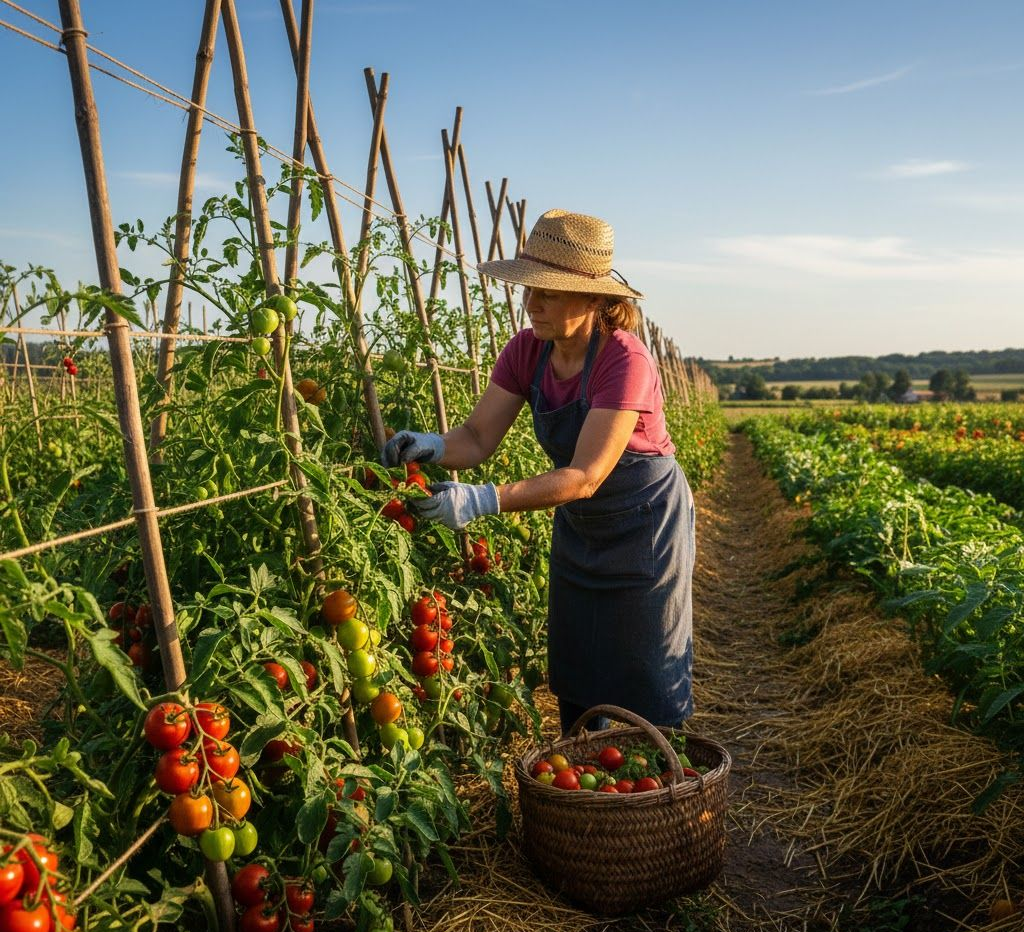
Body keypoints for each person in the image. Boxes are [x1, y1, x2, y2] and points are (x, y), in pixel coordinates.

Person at [382, 209, 695, 735]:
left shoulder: (625, 360)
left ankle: (654, 798)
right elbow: (479, 437)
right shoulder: (526, 352)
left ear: (594, 299)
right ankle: (582, 796)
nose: (532, 302)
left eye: (549, 291)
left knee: (646, 672)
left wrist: (482, 500)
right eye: (529, 289)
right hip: (580, 524)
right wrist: (433, 446)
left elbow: (588, 474)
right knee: (579, 666)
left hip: (644, 527)